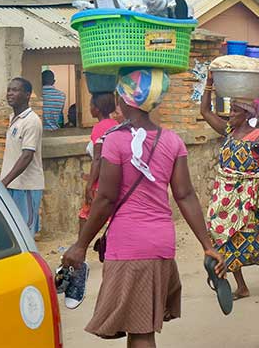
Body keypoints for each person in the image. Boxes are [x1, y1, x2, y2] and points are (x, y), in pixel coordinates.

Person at [61, 69, 224, 347]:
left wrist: (80, 245)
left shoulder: (115, 139)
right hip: (160, 243)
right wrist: (207, 244)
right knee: (141, 328)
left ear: (121, 99)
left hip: (129, 246)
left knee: (141, 333)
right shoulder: (172, 140)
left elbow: (107, 198)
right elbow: (185, 195)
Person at [200, 74, 259, 300]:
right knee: (222, 237)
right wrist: (209, 83)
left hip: (248, 196)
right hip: (224, 195)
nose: (230, 114)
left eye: (235, 111)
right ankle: (242, 286)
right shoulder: (228, 131)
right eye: (231, 109)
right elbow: (205, 112)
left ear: (247, 114)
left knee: (245, 240)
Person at [0, 77, 44, 237]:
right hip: (13, 184)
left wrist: (4, 181)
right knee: (15, 231)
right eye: (9, 90)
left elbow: (27, 156)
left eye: (15, 90)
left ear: (27, 95)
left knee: (26, 231)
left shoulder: (31, 121)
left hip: (26, 186)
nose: (10, 93)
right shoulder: (14, 118)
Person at [78, 92, 119, 232]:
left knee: (85, 215)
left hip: (100, 181)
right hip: (115, 178)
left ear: (97, 109)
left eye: (91, 105)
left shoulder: (99, 128)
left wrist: (89, 185)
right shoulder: (116, 124)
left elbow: (97, 158)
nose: (89, 108)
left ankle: (80, 245)